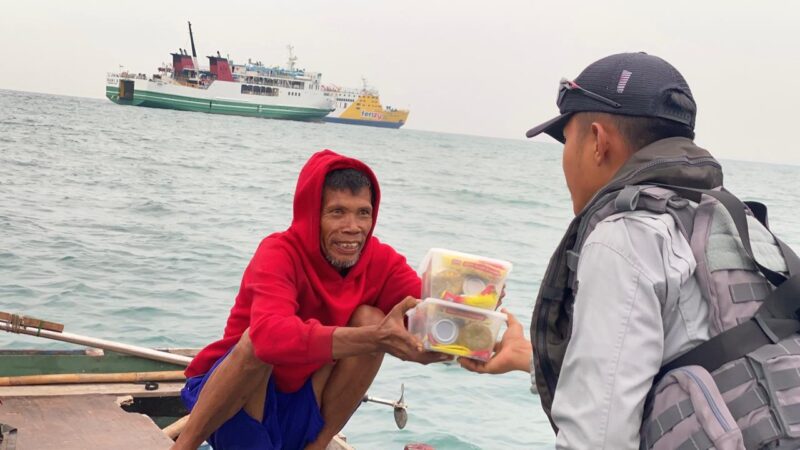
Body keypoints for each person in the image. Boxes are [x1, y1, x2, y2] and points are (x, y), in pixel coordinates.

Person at [459, 52, 795, 449]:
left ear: (598, 142)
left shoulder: (624, 237)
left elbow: (598, 438)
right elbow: (712, 352)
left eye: (566, 139)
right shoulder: (740, 224)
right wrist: (526, 356)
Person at [172, 149, 447, 450]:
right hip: (238, 406)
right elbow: (268, 339)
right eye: (337, 212)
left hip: (304, 406)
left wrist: (475, 330)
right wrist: (375, 338)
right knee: (257, 341)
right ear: (312, 214)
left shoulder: (381, 261)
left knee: (370, 319)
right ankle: (182, 447)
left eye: (363, 213)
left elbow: (437, 312)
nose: (353, 227)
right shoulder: (278, 252)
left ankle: (316, 446)